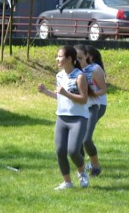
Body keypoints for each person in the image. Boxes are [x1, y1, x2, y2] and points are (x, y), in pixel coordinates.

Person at [37, 46, 90, 190]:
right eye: (57, 56)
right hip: (61, 118)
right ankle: (67, 182)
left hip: (78, 118)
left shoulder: (80, 76)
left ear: (69, 59)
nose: (57, 59)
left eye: (60, 56)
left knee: (73, 151)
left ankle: (82, 172)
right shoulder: (59, 76)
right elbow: (59, 95)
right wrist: (45, 91)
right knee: (60, 151)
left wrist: (66, 94)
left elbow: (84, 99)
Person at [77, 44, 107, 177]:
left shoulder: (94, 69)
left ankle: (95, 166)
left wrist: (90, 95)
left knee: (86, 138)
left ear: (87, 57)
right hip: (79, 108)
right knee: (78, 140)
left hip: (94, 106)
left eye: (80, 57)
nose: (77, 60)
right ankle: (82, 169)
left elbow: (103, 89)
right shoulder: (73, 72)